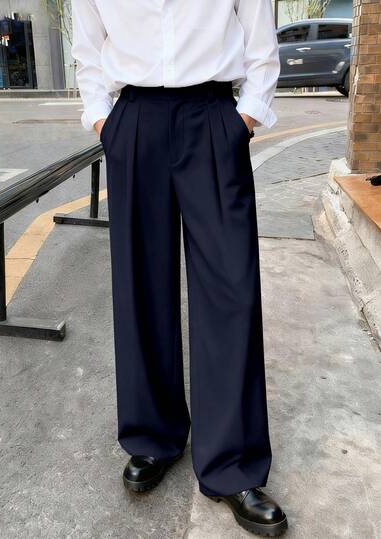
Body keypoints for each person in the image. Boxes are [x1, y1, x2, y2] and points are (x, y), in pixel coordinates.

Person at [71, 1, 288, 536]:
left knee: (232, 289)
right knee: (141, 286)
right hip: (134, 120)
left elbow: (261, 45)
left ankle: (232, 461)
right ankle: (153, 435)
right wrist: (103, 121)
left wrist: (245, 117)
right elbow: (88, 50)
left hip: (213, 115)